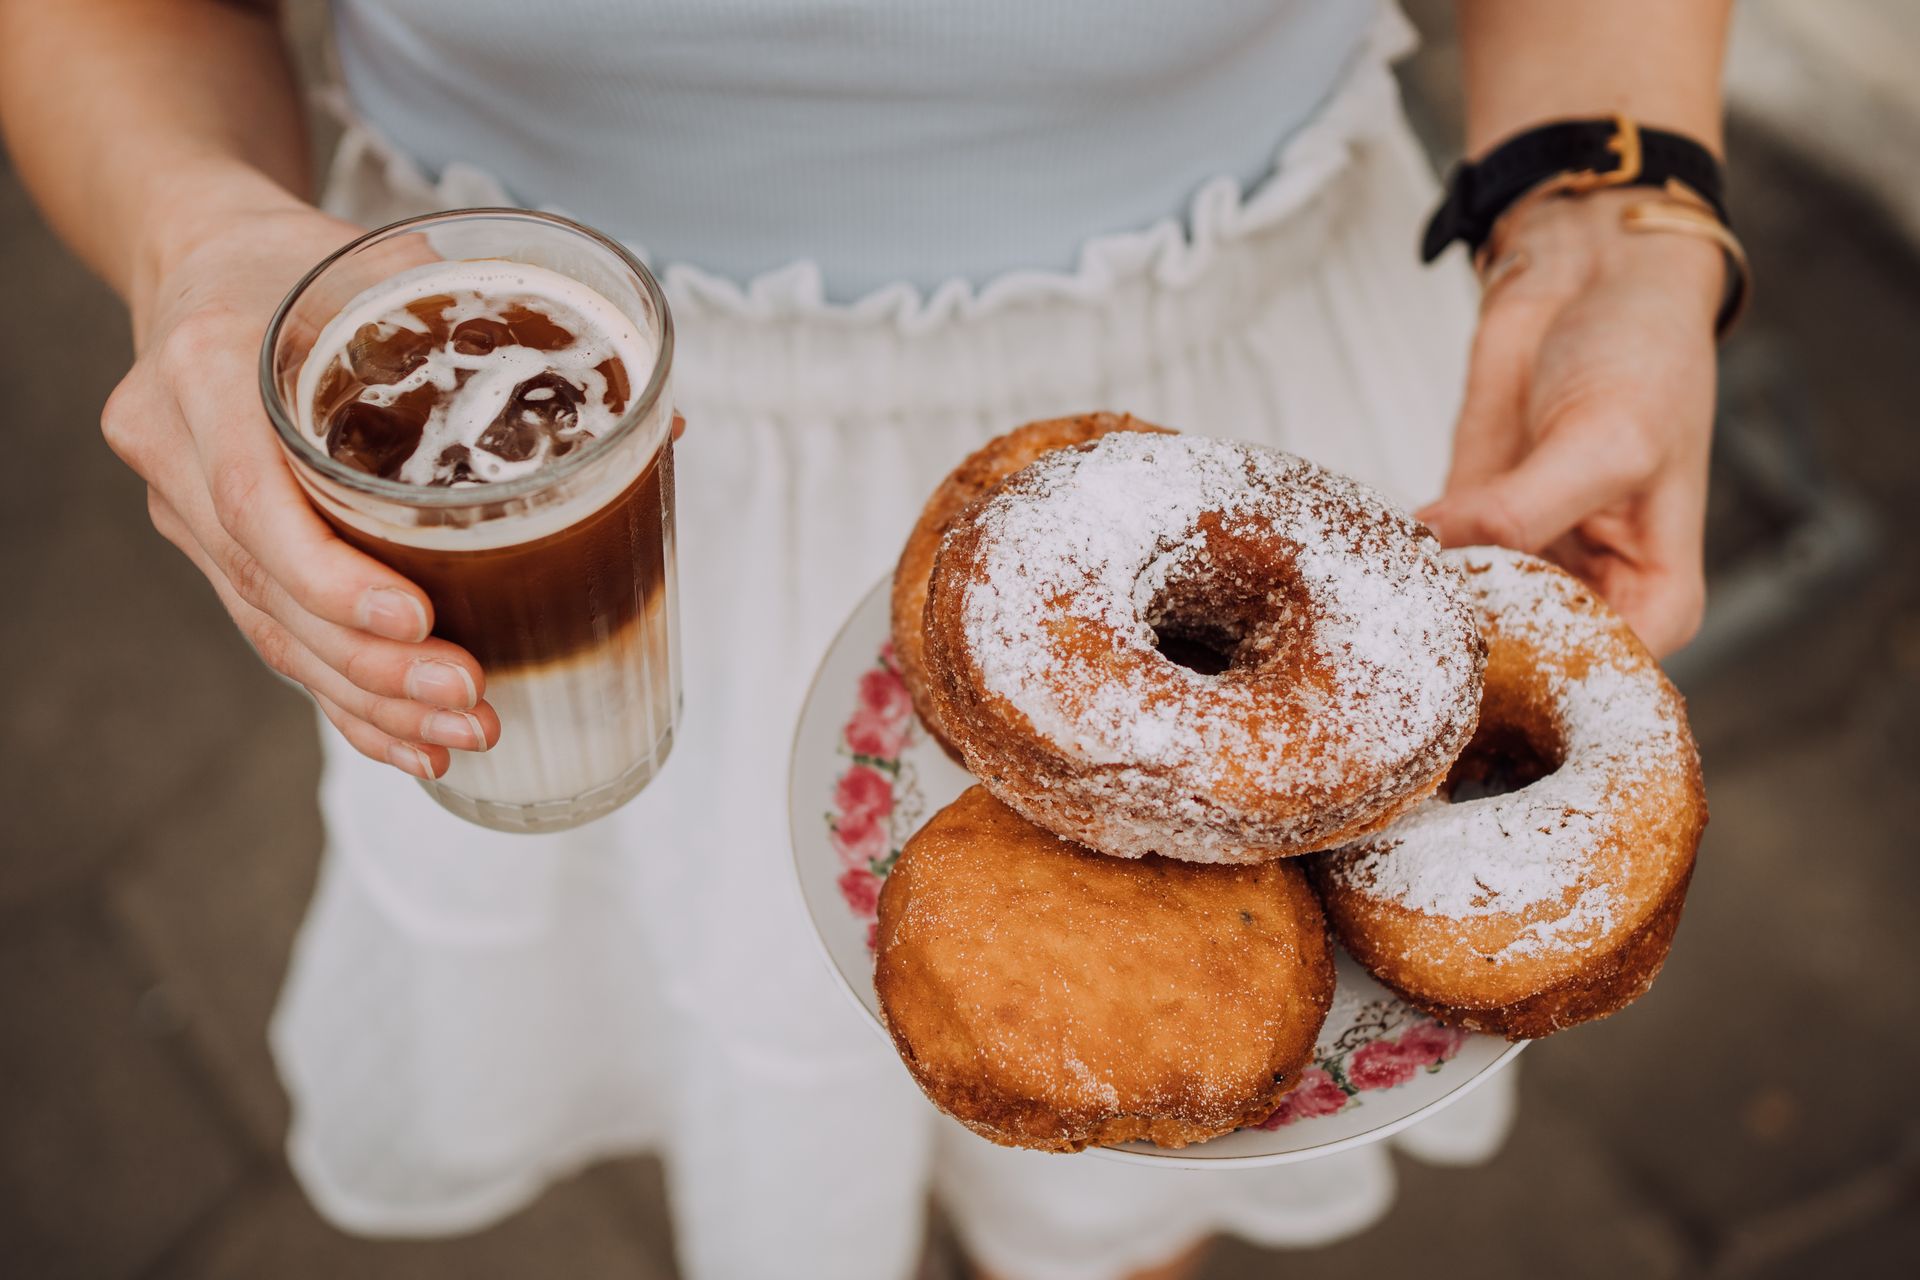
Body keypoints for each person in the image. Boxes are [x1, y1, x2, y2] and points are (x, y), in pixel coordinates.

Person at [0, 1, 1734, 1276]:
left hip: (1267, 414)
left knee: (1135, 1170)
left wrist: (1613, 207)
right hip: (530, 445)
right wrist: (198, 240)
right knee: (724, 1053)